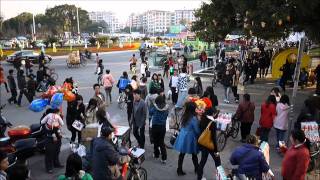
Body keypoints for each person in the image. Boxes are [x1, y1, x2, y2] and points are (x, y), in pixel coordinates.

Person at [173, 101, 200, 176]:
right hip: (190, 137)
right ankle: (197, 169)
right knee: (194, 154)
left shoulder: (184, 115)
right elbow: (197, 130)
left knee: (182, 154)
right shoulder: (193, 118)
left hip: (183, 135)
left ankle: (179, 169)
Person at [197, 108, 221, 180]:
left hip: (203, 143)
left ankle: (199, 177)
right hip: (210, 145)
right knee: (218, 161)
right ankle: (219, 177)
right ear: (212, 113)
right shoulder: (212, 123)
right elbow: (213, 138)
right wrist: (216, 150)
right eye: (215, 113)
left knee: (202, 161)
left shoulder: (203, 119)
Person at [41, 108, 64, 173]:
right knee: (49, 153)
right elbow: (44, 129)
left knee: (57, 151)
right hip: (49, 138)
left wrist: (59, 133)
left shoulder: (57, 117)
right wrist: (53, 134)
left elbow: (60, 125)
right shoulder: (45, 120)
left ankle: (56, 163)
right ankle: (49, 167)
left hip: (58, 137)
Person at [149, 95, 169, 163]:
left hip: (155, 126)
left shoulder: (155, 107)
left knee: (155, 141)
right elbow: (166, 116)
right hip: (162, 127)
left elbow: (150, 112)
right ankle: (164, 158)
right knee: (161, 142)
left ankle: (156, 154)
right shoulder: (166, 107)